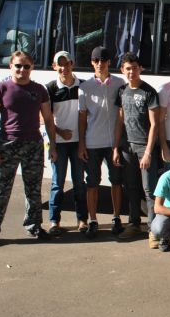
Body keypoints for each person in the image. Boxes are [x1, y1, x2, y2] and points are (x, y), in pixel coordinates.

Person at [0, 51, 58, 249]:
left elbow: (48, 119)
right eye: (18, 66)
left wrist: (53, 147)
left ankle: (34, 226)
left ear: (32, 68)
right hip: (7, 146)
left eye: (26, 66)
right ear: (11, 67)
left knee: (33, 190)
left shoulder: (39, 90)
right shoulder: (2, 88)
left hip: (33, 146)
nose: (22, 70)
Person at [78, 46, 125, 238]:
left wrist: (116, 145)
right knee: (92, 183)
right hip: (92, 143)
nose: (100, 64)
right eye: (96, 60)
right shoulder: (84, 88)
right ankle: (93, 220)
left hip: (113, 143)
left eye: (103, 60)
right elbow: (82, 118)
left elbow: (121, 115)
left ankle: (116, 217)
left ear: (109, 62)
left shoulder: (120, 84)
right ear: (91, 63)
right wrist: (81, 144)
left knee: (116, 182)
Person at [112, 53, 159, 242]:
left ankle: (153, 230)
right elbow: (120, 121)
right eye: (127, 68)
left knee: (149, 191)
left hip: (144, 149)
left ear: (140, 68)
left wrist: (148, 152)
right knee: (131, 187)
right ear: (123, 70)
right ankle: (133, 224)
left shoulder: (149, 92)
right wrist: (116, 147)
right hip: (126, 148)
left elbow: (155, 125)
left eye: (134, 68)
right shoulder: (122, 91)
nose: (131, 72)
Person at [45, 51, 87, 235]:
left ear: (72, 63)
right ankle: (54, 221)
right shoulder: (50, 88)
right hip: (59, 144)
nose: (64, 68)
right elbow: (44, 118)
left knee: (79, 183)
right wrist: (58, 135)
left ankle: (82, 220)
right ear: (54, 67)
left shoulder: (84, 86)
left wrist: (82, 143)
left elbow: (87, 115)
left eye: (67, 63)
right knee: (57, 183)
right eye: (59, 64)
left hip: (79, 143)